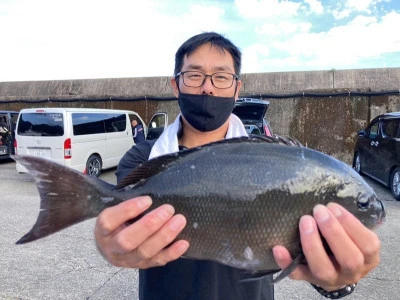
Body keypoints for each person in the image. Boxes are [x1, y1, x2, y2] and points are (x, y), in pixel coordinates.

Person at [94, 32, 381, 300]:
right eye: (194, 75)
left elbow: (310, 257)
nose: (207, 87)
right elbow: (121, 226)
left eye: (221, 76)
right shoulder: (142, 158)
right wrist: (110, 246)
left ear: (236, 88)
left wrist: (338, 280)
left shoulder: (279, 160)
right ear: (176, 84)